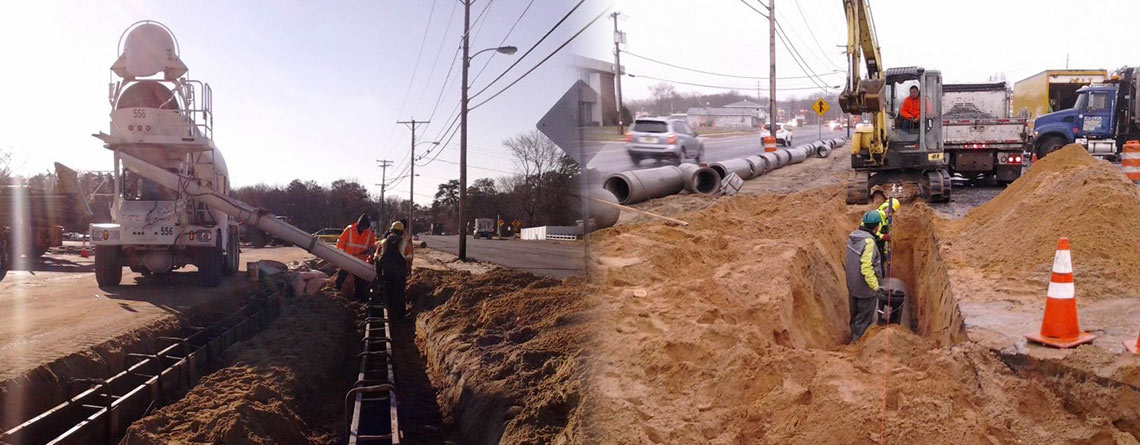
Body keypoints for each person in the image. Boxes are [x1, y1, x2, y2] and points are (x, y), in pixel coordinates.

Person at [845, 210, 888, 342]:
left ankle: (854, 336)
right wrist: (876, 287)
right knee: (864, 320)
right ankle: (857, 344)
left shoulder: (854, 237)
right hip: (865, 290)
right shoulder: (869, 243)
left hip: (853, 286)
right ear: (877, 227)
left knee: (855, 316)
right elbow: (866, 268)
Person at [374, 221, 414, 318]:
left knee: (387, 291)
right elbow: (409, 259)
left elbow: (376, 258)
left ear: (391, 231)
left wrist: (378, 273)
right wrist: (408, 271)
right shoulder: (405, 244)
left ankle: (387, 312)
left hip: (386, 272)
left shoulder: (382, 242)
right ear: (402, 232)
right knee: (399, 292)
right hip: (399, 272)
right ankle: (400, 315)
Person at [335, 213, 376, 301]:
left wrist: (372, 249)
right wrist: (341, 255)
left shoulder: (369, 234)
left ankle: (360, 299)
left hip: (359, 262)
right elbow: (340, 242)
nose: (363, 229)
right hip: (347, 260)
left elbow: (373, 244)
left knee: (360, 282)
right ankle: (336, 293)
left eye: (365, 227)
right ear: (358, 224)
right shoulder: (349, 230)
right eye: (362, 227)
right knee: (341, 277)